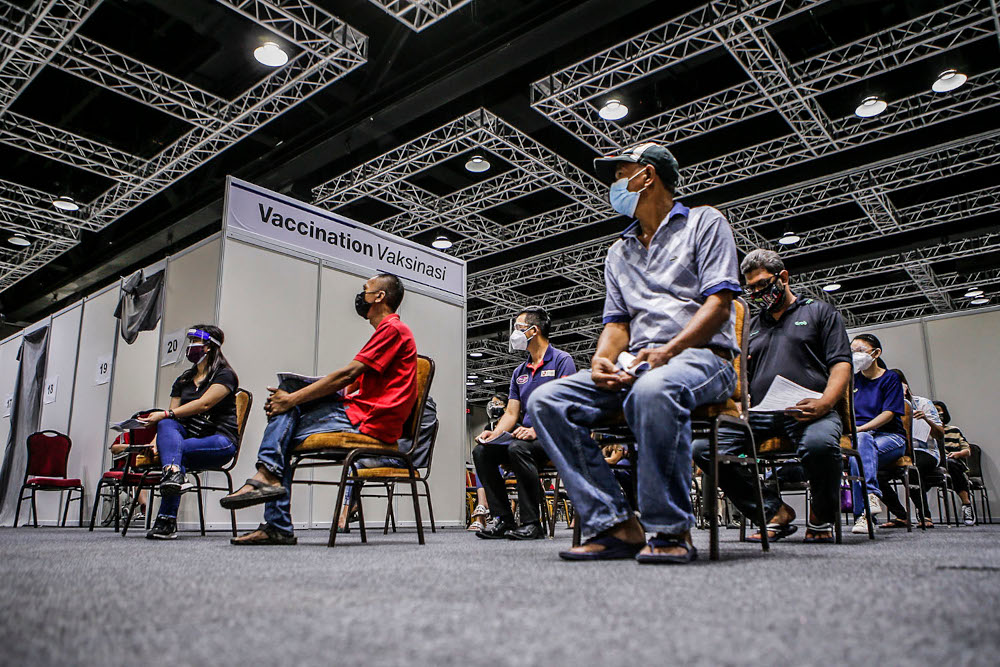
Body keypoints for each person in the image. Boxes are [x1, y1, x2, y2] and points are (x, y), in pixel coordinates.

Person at [528, 141, 741, 564]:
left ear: (647, 175)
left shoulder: (704, 223)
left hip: (703, 360)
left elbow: (720, 304)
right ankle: (615, 524)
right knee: (546, 400)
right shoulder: (618, 252)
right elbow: (618, 324)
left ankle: (669, 529)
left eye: (619, 174)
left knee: (653, 390)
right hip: (639, 365)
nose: (614, 184)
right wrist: (600, 360)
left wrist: (669, 350)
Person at [220, 273, 417, 546]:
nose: (362, 295)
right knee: (287, 402)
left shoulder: (393, 330)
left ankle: (269, 490)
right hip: (360, 412)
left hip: (372, 421)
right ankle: (270, 493)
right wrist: (295, 395)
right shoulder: (385, 333)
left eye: (366, 290)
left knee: (287, 412)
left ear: (380, 297)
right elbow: (348, 387)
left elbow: (346, 375)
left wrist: (292, 399)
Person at [692, 249, 852, 544]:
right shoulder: (752, 326)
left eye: (762, 285)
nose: (756, 292)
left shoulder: (818, 312)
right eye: (750, 288)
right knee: (704, 446)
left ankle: (820, 517)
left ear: (783, 278)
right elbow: (743, 375)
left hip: (810, 409)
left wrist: (825, 402)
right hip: (762, 414)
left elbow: (841, 364)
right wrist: (740, 402)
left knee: (819, 445)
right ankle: (773, 512)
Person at [473, 306, 576, 541]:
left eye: (518, 328)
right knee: (482, 452)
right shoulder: (519, 371)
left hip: (553, 438)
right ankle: (503, 519)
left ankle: (532, 523)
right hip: (525, 439)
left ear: (534, 330)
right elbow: (511, 413)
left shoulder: (562, 361)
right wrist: (495, 434)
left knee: (517, 448)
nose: (514, 333)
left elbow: (563, 406)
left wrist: (535, 430)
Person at [139, 325, 240, 539]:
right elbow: (173, 415)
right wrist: (155, 442)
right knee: (169, 431)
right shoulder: (183, 380)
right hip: (186, 442)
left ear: (209, 347)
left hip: (221, 442)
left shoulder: (225, 376)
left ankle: (166, 520)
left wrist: (165, 415)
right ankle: (173, 477)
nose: (191, 346)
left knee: (174, 444)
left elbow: (203, 405)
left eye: (196, 342)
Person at [849, 333, 906, 534]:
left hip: (890, 438)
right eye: (852, 351)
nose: (855, 355)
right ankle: (870, 499)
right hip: (860, 439)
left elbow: (889, 414)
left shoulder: (890, 378)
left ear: (876, 353)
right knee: (858, 455)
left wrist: (862, 429)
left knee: (859, 451)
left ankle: (862, 515)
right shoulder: (852, 381)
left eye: (860, 351)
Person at [879, 369, 943, 529]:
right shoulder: (884, 407)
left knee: (912, 468)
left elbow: (940, 435)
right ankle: (901, 515)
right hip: (898, 451)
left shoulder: (923, 403)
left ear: (904, 386)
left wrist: (926, 420)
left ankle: (925, 515)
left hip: (924, 450)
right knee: (875, 473)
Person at [932, 400, 976, 526]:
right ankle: (924, 513)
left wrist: (958, 454)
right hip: (935, 465)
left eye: (939, 410)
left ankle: (967, 504)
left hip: (953, 463)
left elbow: (967, 450)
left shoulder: (954, 430)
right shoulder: (927, 432)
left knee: (951, 463)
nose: (937, 413)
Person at [468, 394, 508, 532]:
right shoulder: (489, 426)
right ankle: (482, 506)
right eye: (492, 404)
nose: (493, 407)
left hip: (511, 463)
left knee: (493, 466)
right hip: (496, 463)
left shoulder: (514, 423)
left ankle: (482, 510)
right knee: (483, 460)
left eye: (497, 404)